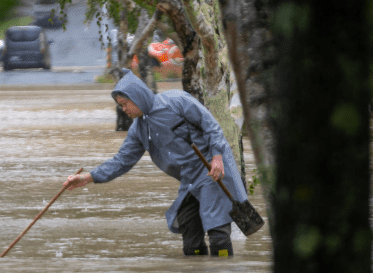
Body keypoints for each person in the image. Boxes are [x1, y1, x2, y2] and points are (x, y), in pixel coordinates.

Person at [64, 71, 249, 257]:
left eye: (125, 104)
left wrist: (217, 156)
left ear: (137, 96)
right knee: (189, 232)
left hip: (212, 170)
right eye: (120, 106)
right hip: (190, 181)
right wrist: (88, 177)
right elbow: (122, 161)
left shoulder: (176, 100)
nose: (124, 109)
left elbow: (211, 126)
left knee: (217, 230)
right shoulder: (138, 129)